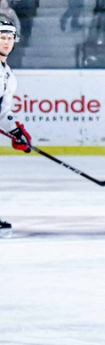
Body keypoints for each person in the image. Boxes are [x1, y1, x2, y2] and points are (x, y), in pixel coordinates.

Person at [1, 18, 34, 239]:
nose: (6, 42)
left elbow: (3, 112)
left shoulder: (8, 75)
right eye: (1, 38)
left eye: (9, 38)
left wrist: (16, 132)